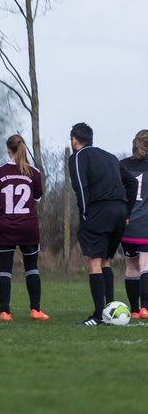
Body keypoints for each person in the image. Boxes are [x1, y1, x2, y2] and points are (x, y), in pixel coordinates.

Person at [69, 122, 138, 326]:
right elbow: (132, 183)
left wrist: (83, 214)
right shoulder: (109, 156)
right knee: (106, 260)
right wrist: (127, 211)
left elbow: (81, 187)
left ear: (74, 140)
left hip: (99, 211)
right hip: (118, 211)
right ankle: (109, 311)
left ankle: (98, 315)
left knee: (94, 262)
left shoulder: (78, 156)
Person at [0, 133, 49, 321]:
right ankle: (35, 310)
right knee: (32, 268)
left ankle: (5, 312)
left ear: (8, 150)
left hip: (4, 227)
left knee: (4, 270)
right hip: (28, 227)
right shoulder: (35, 173)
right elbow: (36, 200)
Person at [120, 129, 148, 318]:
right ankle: (145, 307)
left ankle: (135, 310)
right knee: (145, 265)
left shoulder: (121, 165)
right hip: (145, 224)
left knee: (131, 267)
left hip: (126, 224)